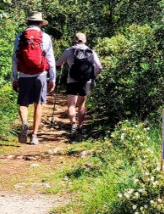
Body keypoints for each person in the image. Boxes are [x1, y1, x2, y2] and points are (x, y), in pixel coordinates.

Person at [12, 11, 56, 145]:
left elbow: (15, 58)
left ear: (28, 22)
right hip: (41, 74)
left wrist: (14, 78)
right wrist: (52, 78)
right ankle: (34, 136)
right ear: (40, 24)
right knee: (38, 104)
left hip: (24, 74)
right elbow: (50, 59)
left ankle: (25, 122)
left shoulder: (20, 36)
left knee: (23, 103)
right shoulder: (45, 37)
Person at [56, 32, 102, 135]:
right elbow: (99, 67)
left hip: (72, 80)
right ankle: (80, 126)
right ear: (85, 40)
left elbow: (57, 63)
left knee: (71, 104)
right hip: (86, 81)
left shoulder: (69, 51)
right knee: (82, 104)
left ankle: (73, 124)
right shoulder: (91, 51)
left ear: (75, 40)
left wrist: (64, 62)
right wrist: (92, 76)